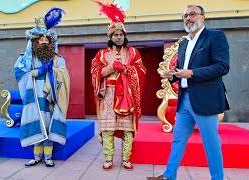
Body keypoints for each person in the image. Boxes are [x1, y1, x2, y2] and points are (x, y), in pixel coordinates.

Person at [147, 5, 230, 180]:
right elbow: (182, 69)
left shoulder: (215, 37)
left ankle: (217, 178)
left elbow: (222, 66)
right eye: (185, 15)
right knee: (178, 140)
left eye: (192, 14)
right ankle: (170, 175)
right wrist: (172, 75)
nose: (188, 18)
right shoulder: (184, 43)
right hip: (184, 100)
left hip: (205, 100)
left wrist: (192, 73)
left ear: (203, 17)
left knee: (211, 143)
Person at [91, 1, 147, 171]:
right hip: (107, 94)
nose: (118, 37)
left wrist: (127, 69)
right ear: (110, 37)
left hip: (127, 96)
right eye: (115, 35)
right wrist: (110, 68)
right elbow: (95, 72)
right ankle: (108, 159)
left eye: (121, 34)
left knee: (127, 130)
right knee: (108, 129)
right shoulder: (102, 54)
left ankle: (126, 159)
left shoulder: (133, 52)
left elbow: (142, 70)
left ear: (125, 36)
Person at [14, 8, 70, 168]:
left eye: (47, 39)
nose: (44, 41)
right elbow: (19, 71)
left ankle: (48, 157)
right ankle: (37, 156)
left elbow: (65, 75)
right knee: (36, 125)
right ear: (35, 42)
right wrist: (37, 71)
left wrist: (53, 72)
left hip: (50, 96)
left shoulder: (58, 59)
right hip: (34, 97)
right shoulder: (26, 59)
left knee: (48, 125)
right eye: (41, 39)